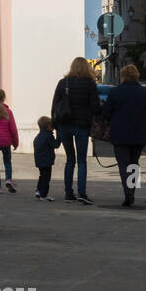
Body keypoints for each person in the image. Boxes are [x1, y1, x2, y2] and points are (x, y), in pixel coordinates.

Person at [103, 64, 146, 208]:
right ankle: (131, 192)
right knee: (134, 163)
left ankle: (128, 193)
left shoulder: (115, 92)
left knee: (123, 165)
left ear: (123, 76)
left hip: (120, 135)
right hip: (140, 135)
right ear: (137, 75)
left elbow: (106, 113)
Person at [50, 56, 100, 204]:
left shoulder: (63, 83)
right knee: (82, 160)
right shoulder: (90, 84)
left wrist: (55, 125)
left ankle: (68, 193)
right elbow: (95, 108)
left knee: (70, 159)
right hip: (82, 126)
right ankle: (82, 193)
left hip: (64, 125)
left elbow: (54, 106)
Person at [33, 116, 60, 200]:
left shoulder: (38, 136)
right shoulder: (48, 136)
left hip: (39, 160)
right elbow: (56, 145)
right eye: (52, 125)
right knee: (46, 178)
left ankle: (38, 190)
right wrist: (59, 135)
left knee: (42, 176)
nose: (53, 127)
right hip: (47, 161)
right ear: (48, 126)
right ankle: (44, 195)